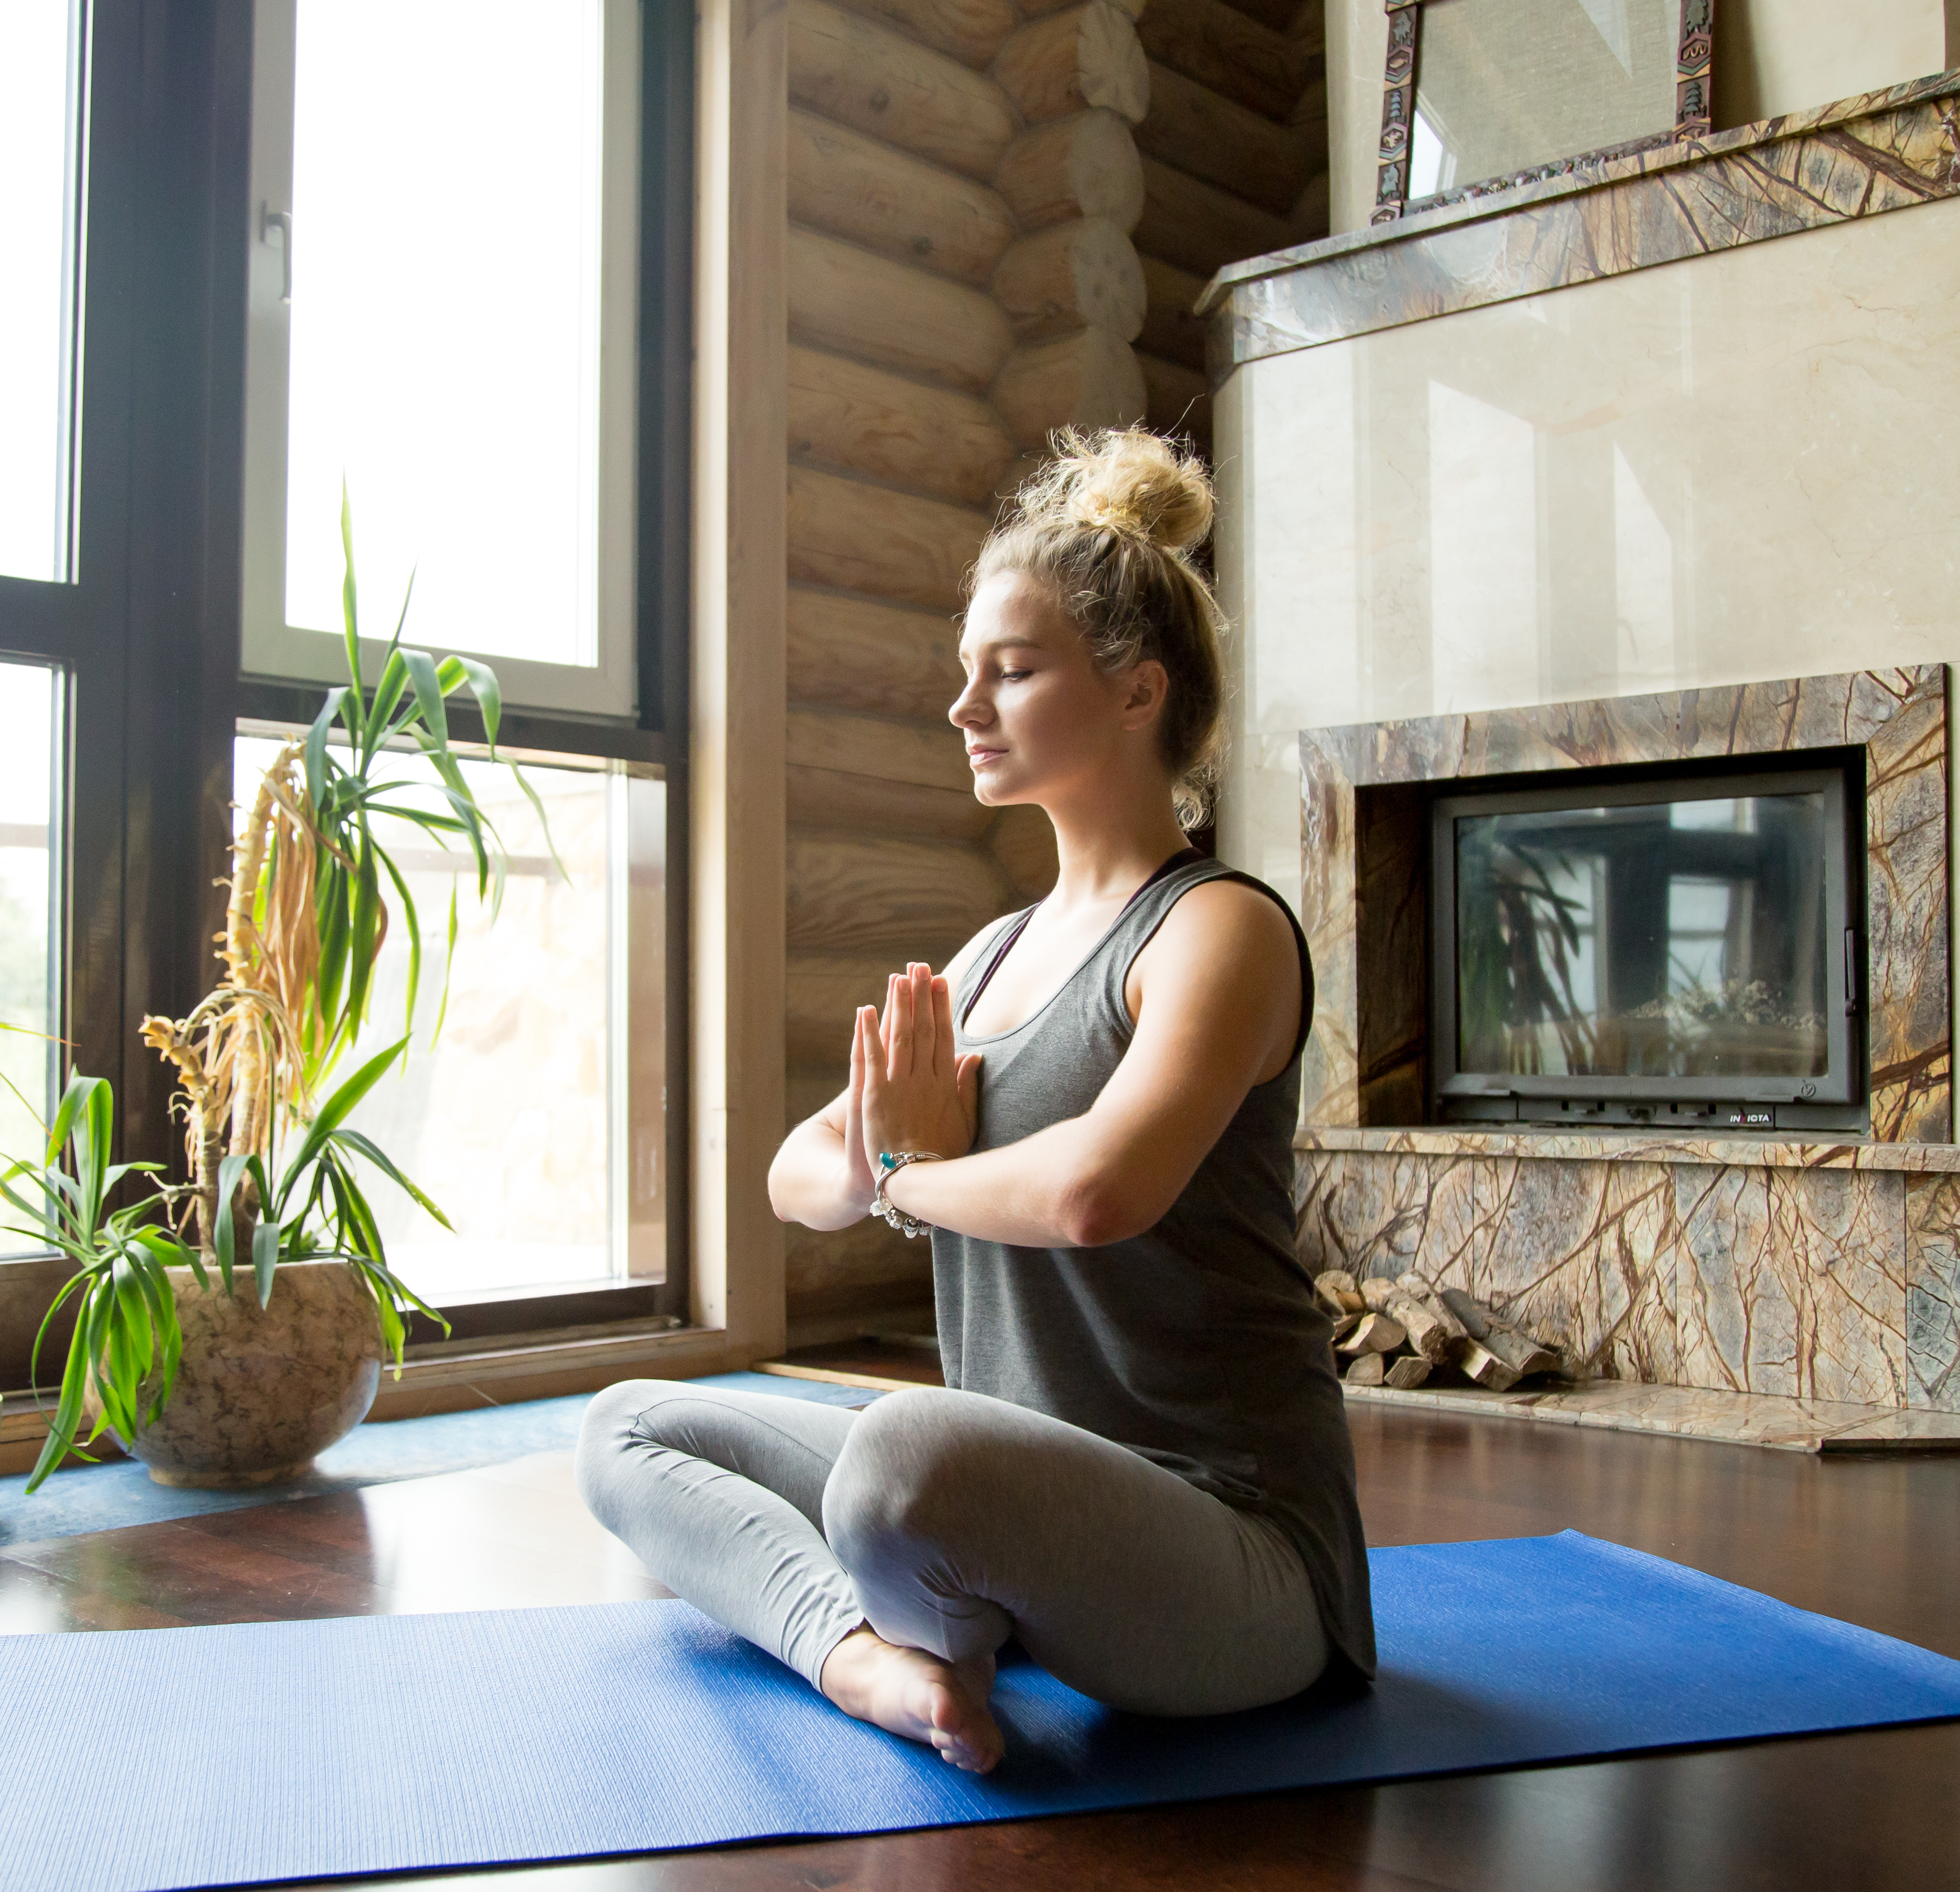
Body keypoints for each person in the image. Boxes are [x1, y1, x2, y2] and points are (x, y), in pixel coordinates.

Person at [577, 428, 1373, 1774]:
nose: (964, 708)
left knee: (901, 1459)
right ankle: (868, 1660)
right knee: (627, 1426)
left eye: (1009, 671)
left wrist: (898, 1178)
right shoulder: (988, 956)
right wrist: (880, 1159)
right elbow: (797, 1173)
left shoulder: (1214, 929)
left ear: (1136, 692)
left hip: (1232, 1557)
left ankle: (934, 1617)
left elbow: (1094, 1190)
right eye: (966, 674)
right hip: (1022, 1506)